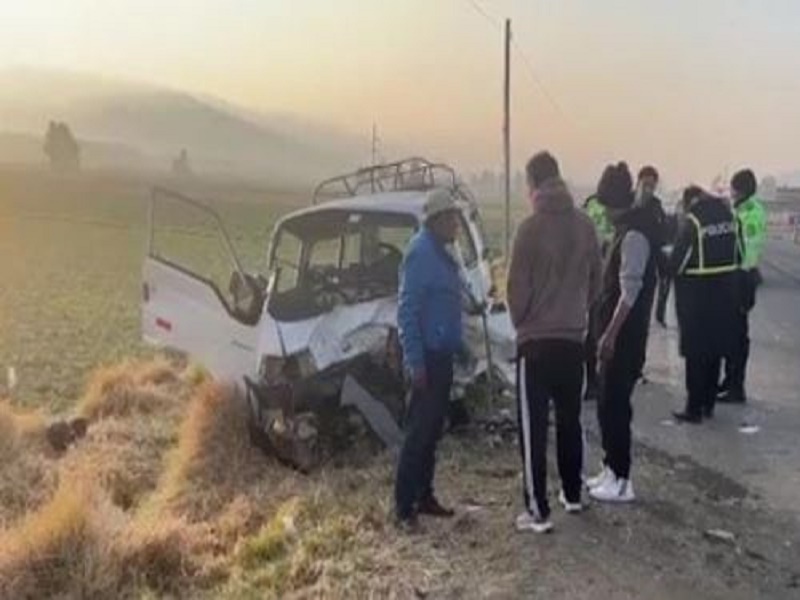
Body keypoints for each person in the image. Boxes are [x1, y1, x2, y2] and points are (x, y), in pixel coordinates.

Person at [507, 151, 602, 533]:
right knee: (569, 419)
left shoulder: (529, 229)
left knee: (533, 427)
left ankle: (537, 509)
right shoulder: (585, 226)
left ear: (533, 184)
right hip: (573, 341)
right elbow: (596, 279)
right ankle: (573, 494)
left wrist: (524, 321)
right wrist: (577, 310)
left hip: (536, 342)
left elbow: (516, 290)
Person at [587, 162, 660, 503]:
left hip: (625, 340)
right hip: (615, 337)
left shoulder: (634, 236)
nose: (606, 213)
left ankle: (621, 478)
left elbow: (629, 292)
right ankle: (610, 468)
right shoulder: (625, 229)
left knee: (616, 406)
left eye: (607, 206)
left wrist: (610, 335)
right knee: (605, 403)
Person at [394, 188, 463, 530]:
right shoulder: (421, 254)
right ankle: (405, 507)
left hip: (442, 356)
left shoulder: (442, 252)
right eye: (452, 217)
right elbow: (407, 312)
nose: (457, 223)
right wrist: (416, 362)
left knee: (432, 432)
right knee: (418, 434)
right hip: (428, 361)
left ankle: (424, 495)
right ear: (437, 220)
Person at [670, 186, 739, 423]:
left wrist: (663, 262)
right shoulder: (729, 217)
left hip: (696, 297)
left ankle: (693, 408)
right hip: (725, 295)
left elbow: (676, 263)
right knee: (715, 352)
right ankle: (709, 404)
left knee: (695, 354)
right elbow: (738, 254)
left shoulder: (693, 221)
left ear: (690, 201)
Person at [718, 169, 767, 404]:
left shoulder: (748, 212)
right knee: (732, 332)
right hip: (743, 276)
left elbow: (749, 247)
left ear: (741, 190)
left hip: (742, 277)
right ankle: (730, 381)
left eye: (733, 189)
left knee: (737, 336)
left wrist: (738, 276)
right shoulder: (748, 209)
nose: (731, 194)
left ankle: (736, 387)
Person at [583, 166, 617, 402]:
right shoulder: (601, 209)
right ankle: (594, 381)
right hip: (600, 277)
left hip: (597, 277)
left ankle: (595, 381)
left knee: (595, 331)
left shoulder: (588, 207)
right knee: (596, 331)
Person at [633, 166, 668, 376]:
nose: (648, 190)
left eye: (652, 186)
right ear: (637, 183)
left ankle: (637, 366)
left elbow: (661, 239)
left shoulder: (657, 209)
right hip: (625, 273)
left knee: (641, 323)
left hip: (647, 273)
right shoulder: (628, 205)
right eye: (645, 185)